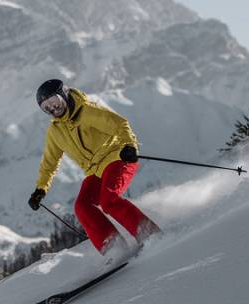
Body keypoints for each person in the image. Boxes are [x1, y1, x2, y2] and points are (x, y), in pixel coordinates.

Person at [29, 78, 161, 258]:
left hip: (118, 158)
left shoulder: (87, 112)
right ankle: (114, 248)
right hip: (95, 171)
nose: (53, 109)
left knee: (109, 200)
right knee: (82, 206)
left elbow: (119, 124)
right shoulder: (55, 131)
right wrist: (40, 189)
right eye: (47, 108)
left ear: (64, 96)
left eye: (55, 103)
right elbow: (49, 163)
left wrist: (129, 146)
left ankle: (149, 234)